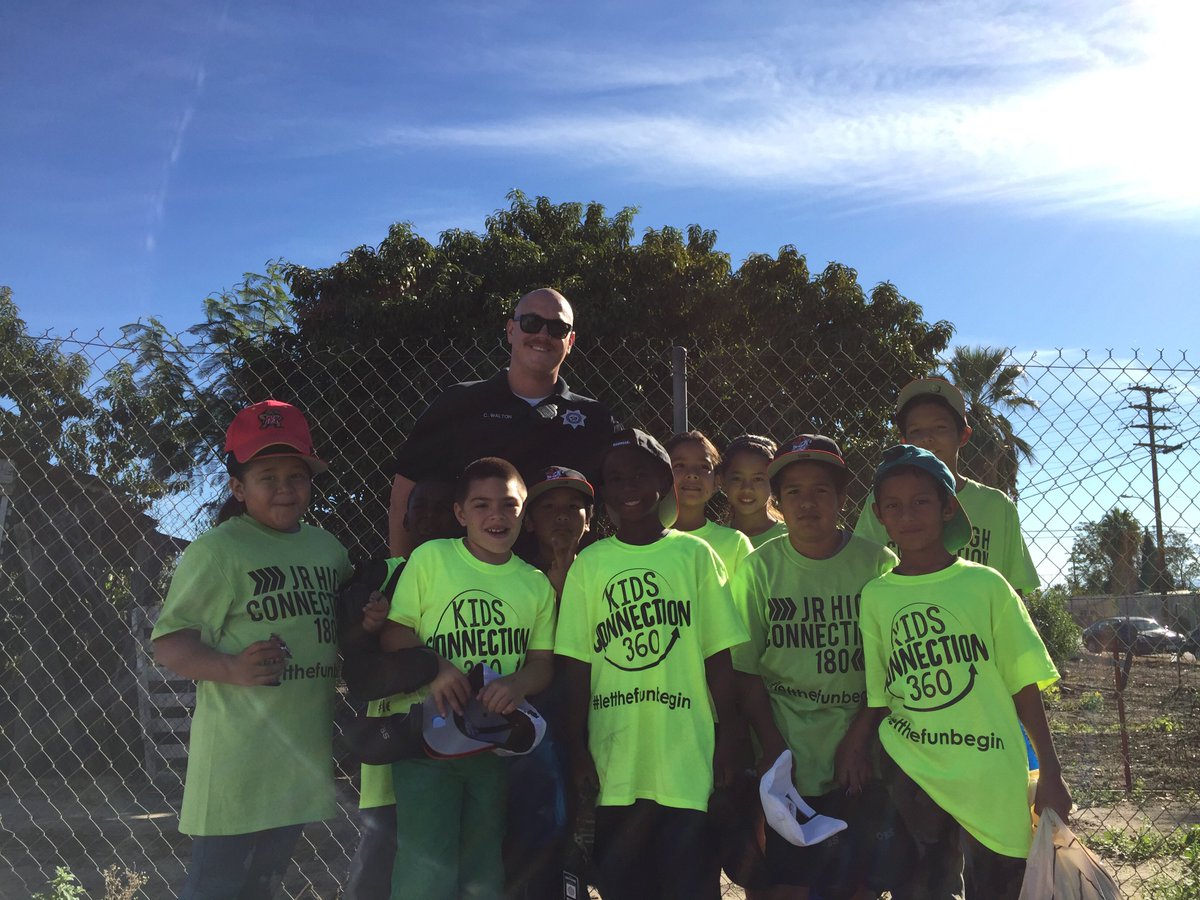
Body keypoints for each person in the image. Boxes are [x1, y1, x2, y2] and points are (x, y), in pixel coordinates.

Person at [846, 444, 1071, 899]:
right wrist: (855, 745)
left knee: (1000, 883)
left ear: (948, 507)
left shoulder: (986, 585)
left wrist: (1050, 769)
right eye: (894, 505)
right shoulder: (876, 596)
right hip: (914, 769)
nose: (907, 515)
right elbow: (879, 692)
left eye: (921, 502)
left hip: (989, 768)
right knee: (924, 888)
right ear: (878, 514)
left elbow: (1022, 682)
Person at [152, 399, 353, 899]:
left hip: (298, 755)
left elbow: (344, 626)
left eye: (296, 474)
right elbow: (170, 643)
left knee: (264, 885)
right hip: (237, 764)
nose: (284, 488)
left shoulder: (328, 550)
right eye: (267, 476)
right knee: (217, 888)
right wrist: (231, 668)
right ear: (238, 487)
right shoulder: (220, 551)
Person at [555, 428, 749, 900]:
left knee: (691, 887)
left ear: (664, 482)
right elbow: (576, 667)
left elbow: (718, 657)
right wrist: (577, 749)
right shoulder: (591, 564)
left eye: (639, 477)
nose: (628, 490)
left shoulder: (693, 555)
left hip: (685, 760)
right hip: (615, 763)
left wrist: (730, 739)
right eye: (616, 479)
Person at [379, 457, 557, 900]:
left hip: (492, 745)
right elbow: (395, 633)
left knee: (483, 865)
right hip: (427, 739)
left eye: (508, 505)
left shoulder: (534, 583)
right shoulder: (431, 558)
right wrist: (437, 667)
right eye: (481, 505)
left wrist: (516, 685)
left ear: (524, 512)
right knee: (426, 868)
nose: (495, 515)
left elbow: (542, 664)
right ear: (460, 514)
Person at [731, 436, 900, 900]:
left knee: (856, 883)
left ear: (842, 499)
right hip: (786, 753)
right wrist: (772, 747)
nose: (808, 502)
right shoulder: (760, 569)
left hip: (860, 755)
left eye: (821, 490)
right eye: (794, 492)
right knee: (785, 884)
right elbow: (745, 670)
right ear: (778, 503)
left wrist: (859, 740)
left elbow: (889, 668)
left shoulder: (877, 565)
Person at [387, 287, 618, 557]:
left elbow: (627, 499)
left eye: (558, 328)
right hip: (466, 588)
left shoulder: (596, 419)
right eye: (532, 323)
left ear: (570, 341)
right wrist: (400, 575)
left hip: (564, 586)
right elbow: (404, 496)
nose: (543, 334)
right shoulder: (459, 403)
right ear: (510, 330)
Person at [343, 478, 462, 900]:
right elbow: (357, 669)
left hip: (464, 751)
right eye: (419, 509)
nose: (428, 517)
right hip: (395, 747)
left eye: (440, 506)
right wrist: (368, 627)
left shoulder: (486, 572)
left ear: (460, 513)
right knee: (380, 868)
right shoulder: (380, 576)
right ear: (405, 519)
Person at [853, 377, 1039, 594]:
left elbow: (1014, 589)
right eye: (915, 431)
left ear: (963, 435)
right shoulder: (883, 503)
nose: (927, 439)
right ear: (903, 441)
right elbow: (862, 573)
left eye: (940, 428)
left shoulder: (998, 505)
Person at [507, 466, 595, 899]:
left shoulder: (605, 570)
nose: (561, 517)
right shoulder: (515, 577)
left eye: (572, 507)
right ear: (530, 520)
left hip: (600, 724)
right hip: (539, 732)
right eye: (548, 507)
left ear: (589, 519)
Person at [666, 430, 754, 576]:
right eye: (679, 465)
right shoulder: (646, 541)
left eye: (704, 466)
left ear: (717, 481)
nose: (692, 474)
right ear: (663, 475)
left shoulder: (735, 543)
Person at [721, 434, 788, 549]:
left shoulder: (791, 537)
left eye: (758, 479)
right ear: (722, 481)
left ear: (772, 482)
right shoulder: (714, 539)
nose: (747, 488)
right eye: (737, 478)